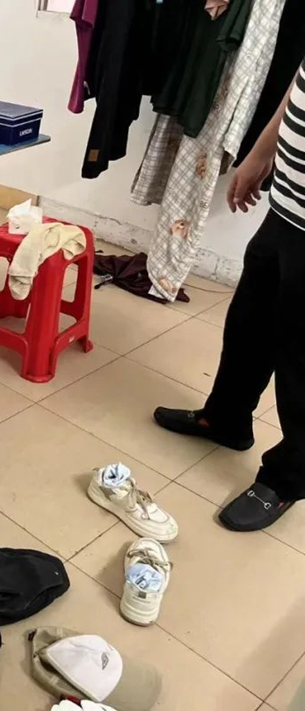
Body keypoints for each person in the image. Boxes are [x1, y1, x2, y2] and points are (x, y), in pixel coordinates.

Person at [154, 58, 305, 531]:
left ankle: (287, 478)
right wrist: (263, 150)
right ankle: (226, 419)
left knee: (301, 361)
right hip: (288, 203)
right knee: (250, 324)